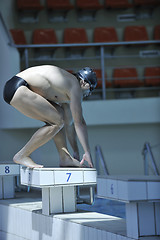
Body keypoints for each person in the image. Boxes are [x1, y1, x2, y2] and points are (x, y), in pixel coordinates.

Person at [3, 65, 97, 168]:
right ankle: (22, 155)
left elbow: (70, 123)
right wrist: (87, 152)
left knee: (59, 116)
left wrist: (76, 152)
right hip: (18, 87)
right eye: (90, 89)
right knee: (57, 121)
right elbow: (79, 123)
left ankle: (65, 158)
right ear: (83, 82)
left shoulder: (66, 88)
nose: (89, 94)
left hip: (16, 87)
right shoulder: (74, 86)